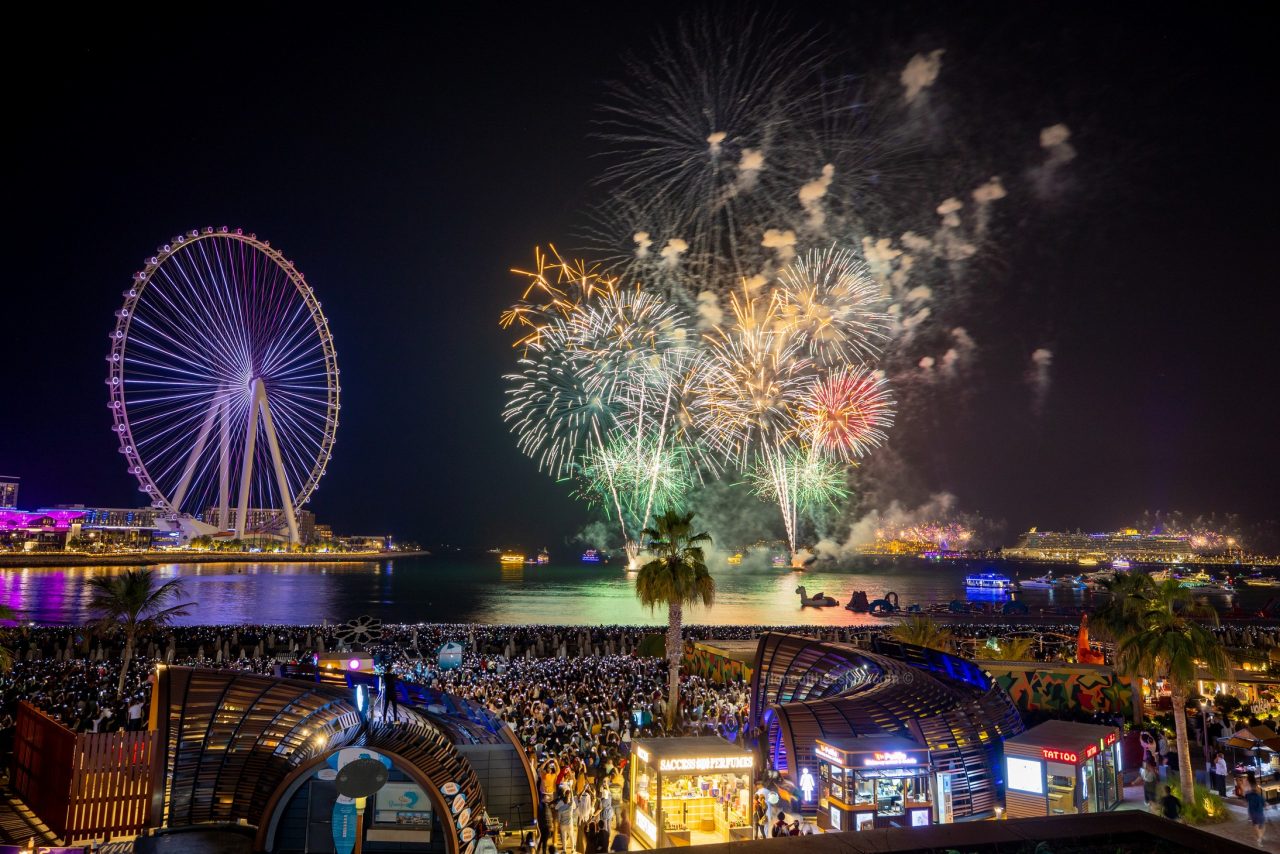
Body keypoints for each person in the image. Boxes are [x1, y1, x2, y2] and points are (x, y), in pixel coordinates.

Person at [1244, 770, 1267, 848]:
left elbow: (1245, 791)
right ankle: (1260, 837)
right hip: (1259, 810)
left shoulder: (1246, 781)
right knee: (1262, 825)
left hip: (1252, 807)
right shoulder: (1259, 796)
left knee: (1255, 825)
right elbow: (1264, 804)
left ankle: (1259, 837)